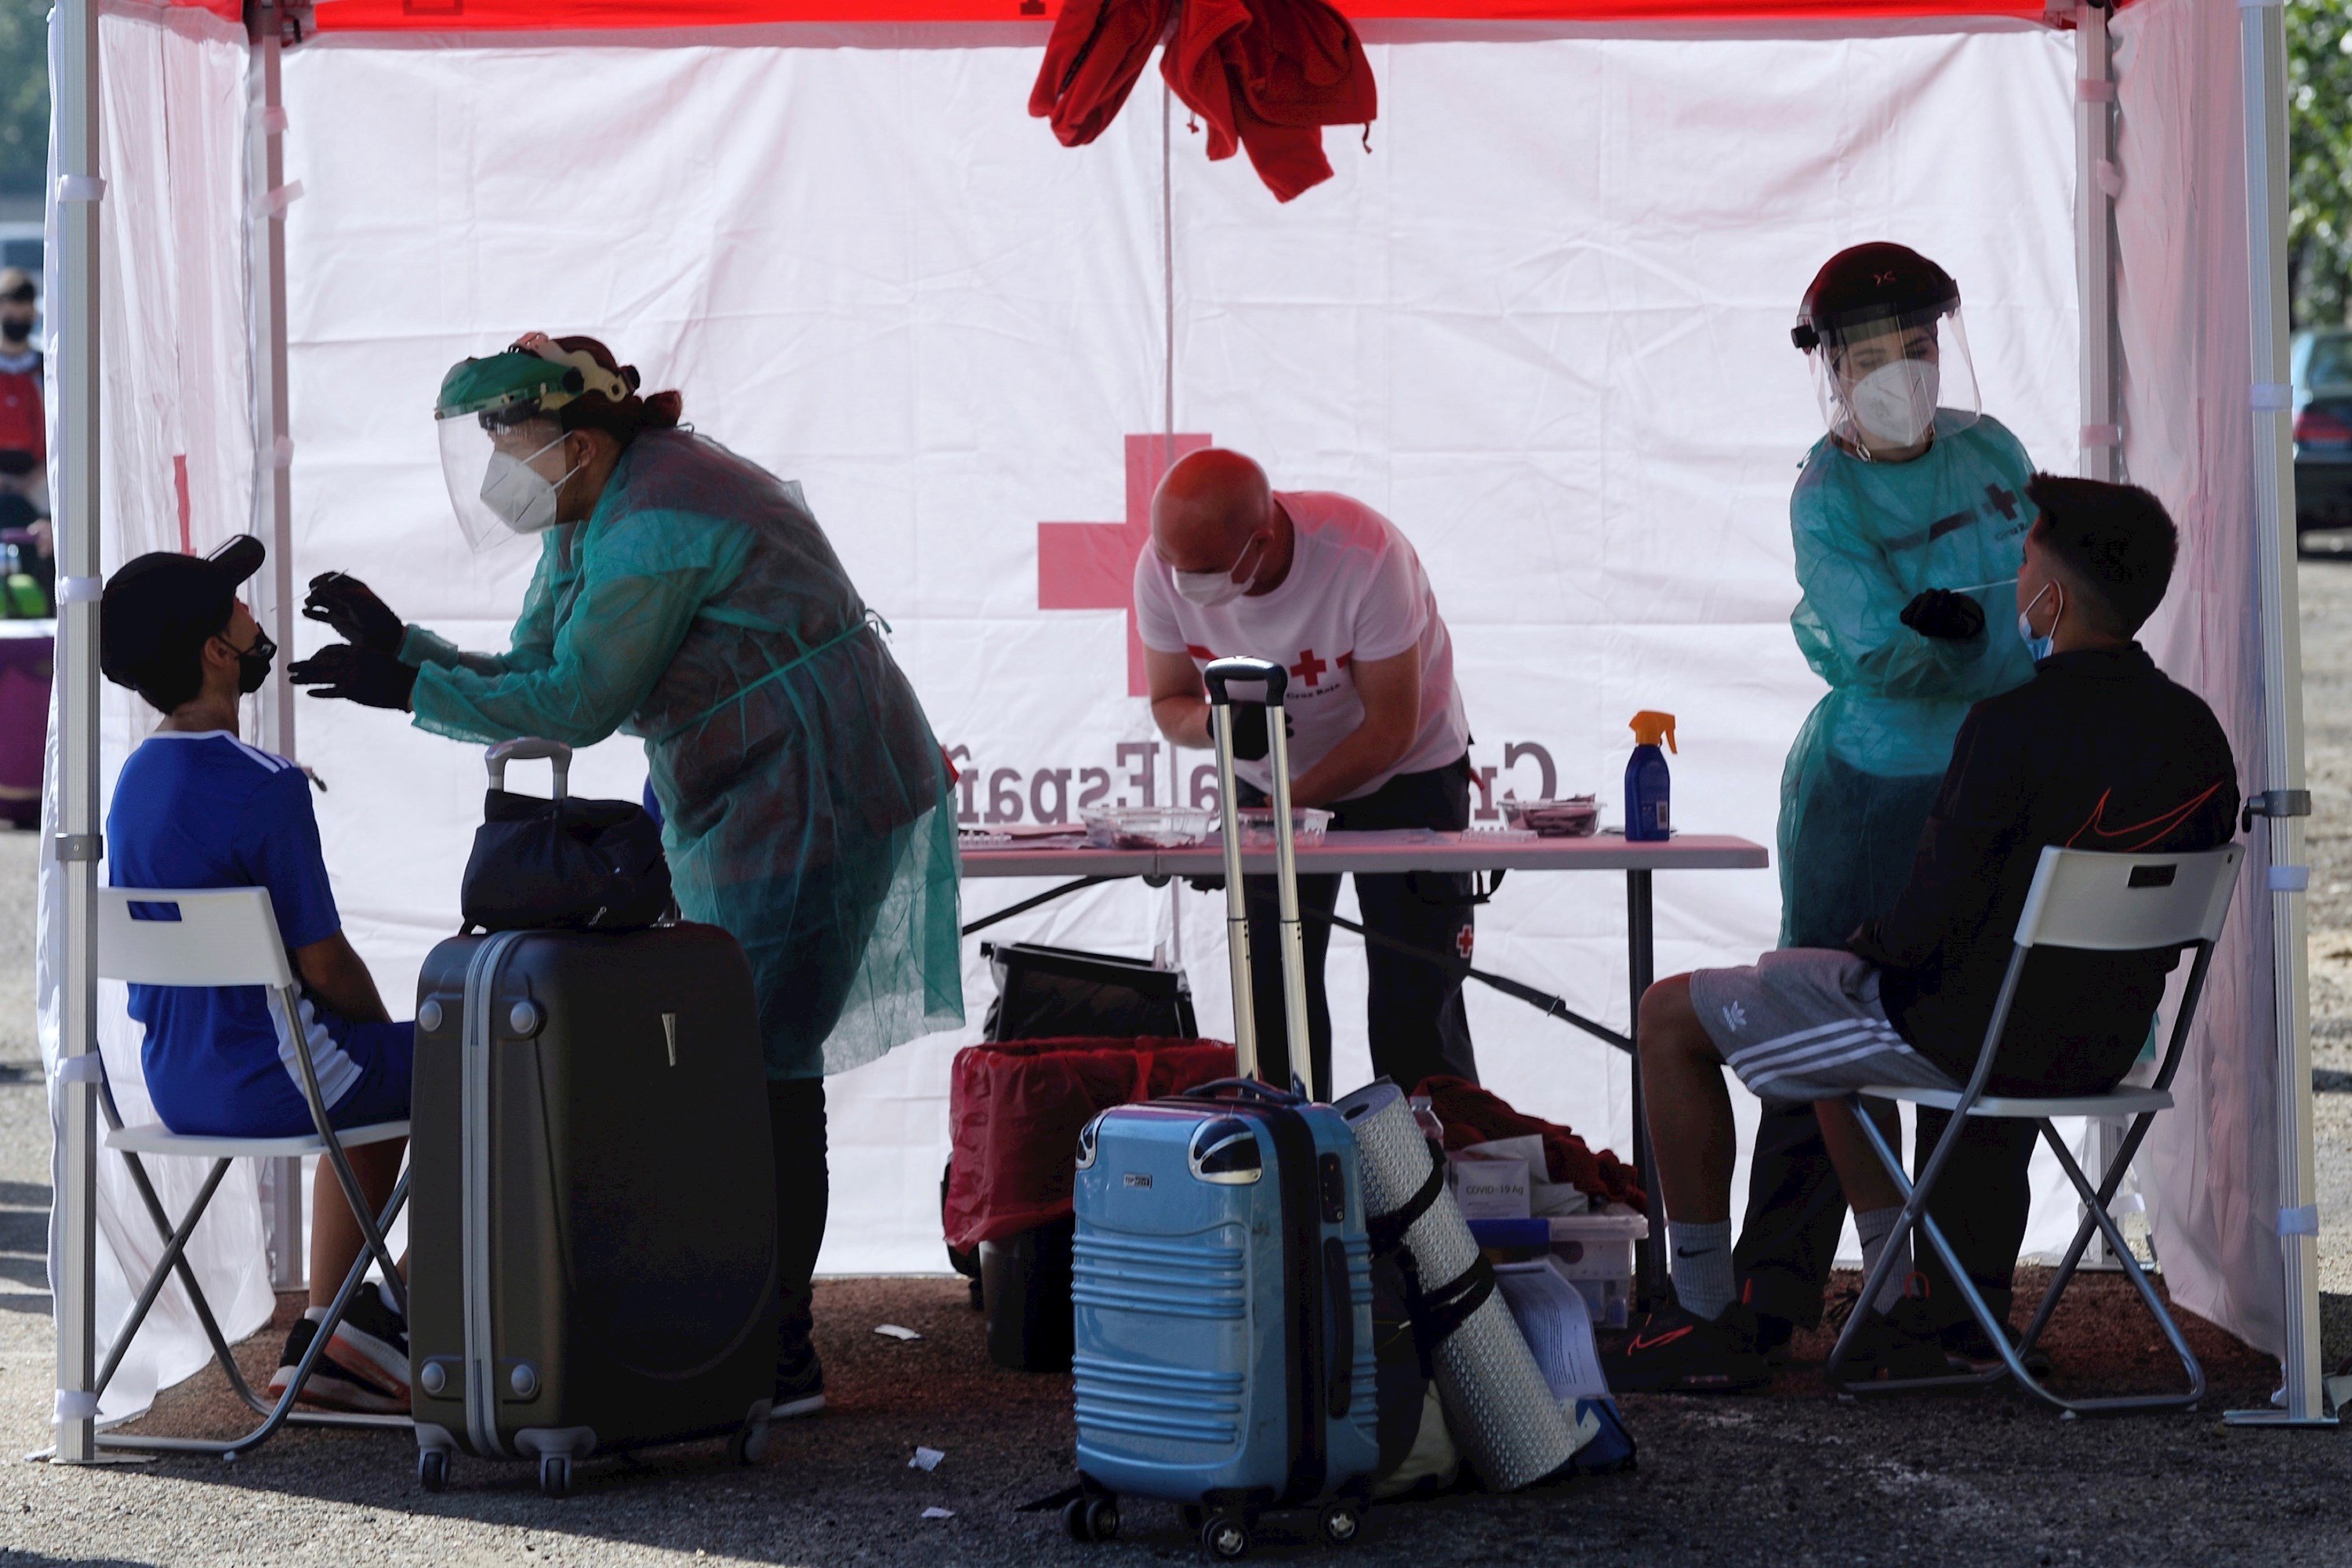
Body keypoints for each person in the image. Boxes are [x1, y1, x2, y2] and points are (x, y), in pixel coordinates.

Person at [288, 334, 962, 1419]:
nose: (501, 468)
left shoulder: (658, 518)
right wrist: (405, 651)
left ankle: (779, 1351)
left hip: (816, 783)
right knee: (742, 1060)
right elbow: (537, 668)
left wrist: (399, 689)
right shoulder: (594, 506)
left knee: (771, 1067)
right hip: (745, 781)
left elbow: (575, 708)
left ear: (583, 441)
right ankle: (738, 1322)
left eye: (513, 443)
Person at [1611, 476, 2238, 1392]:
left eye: (2025, 559)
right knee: (1826, 1022)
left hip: (1970, 1040)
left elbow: (1927, 923)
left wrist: (1853, 950)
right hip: (2104, 1049)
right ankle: (1902, 1300)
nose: (2014, 576)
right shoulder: (2198, 734)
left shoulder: (2007, 726)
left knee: (1670, 1014)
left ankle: (1701, 1310)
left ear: (2053, 598)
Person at [1739, 243, 2045, 1361]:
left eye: (1918, 349)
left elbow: (2044, 590)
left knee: (1970, 1040)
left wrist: (1977, 628)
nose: (1902, 375)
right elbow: (1873, 638)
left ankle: (1961, 1306)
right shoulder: (1827, 487)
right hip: (1870, 790)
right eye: (1873, 357)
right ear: (1832, 367)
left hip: (1988, 777)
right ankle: (1774, 1294)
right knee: (1823, 1021)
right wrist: (1954, 634)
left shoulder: (1990, 451)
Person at [99, 537, 416, 1414]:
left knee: (376, 1077)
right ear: (216, 650)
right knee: (478, 1061)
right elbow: (326, 963)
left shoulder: (134, 778)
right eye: (236, 604)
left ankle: (341, 1324)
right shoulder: (266, 783)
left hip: (178, 1082)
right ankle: (366, 1325)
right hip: (274, 1079)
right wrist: (389, 1037)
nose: (252, 611)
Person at [1137, 447, 1475, 1097]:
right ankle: (1291, 1174)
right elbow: (1167, 702)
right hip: (1270, 782)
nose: (1183, 583)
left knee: (1415, 1000)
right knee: (1271, 996)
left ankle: (1432, 1174)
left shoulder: (1363, 557)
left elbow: (1389, 730)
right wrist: (1214, 727)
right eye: (1173, 565)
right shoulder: (1163, 566)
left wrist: (1278, 814)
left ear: (1260, 543)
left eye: (1202, 571)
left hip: (1407, 775)